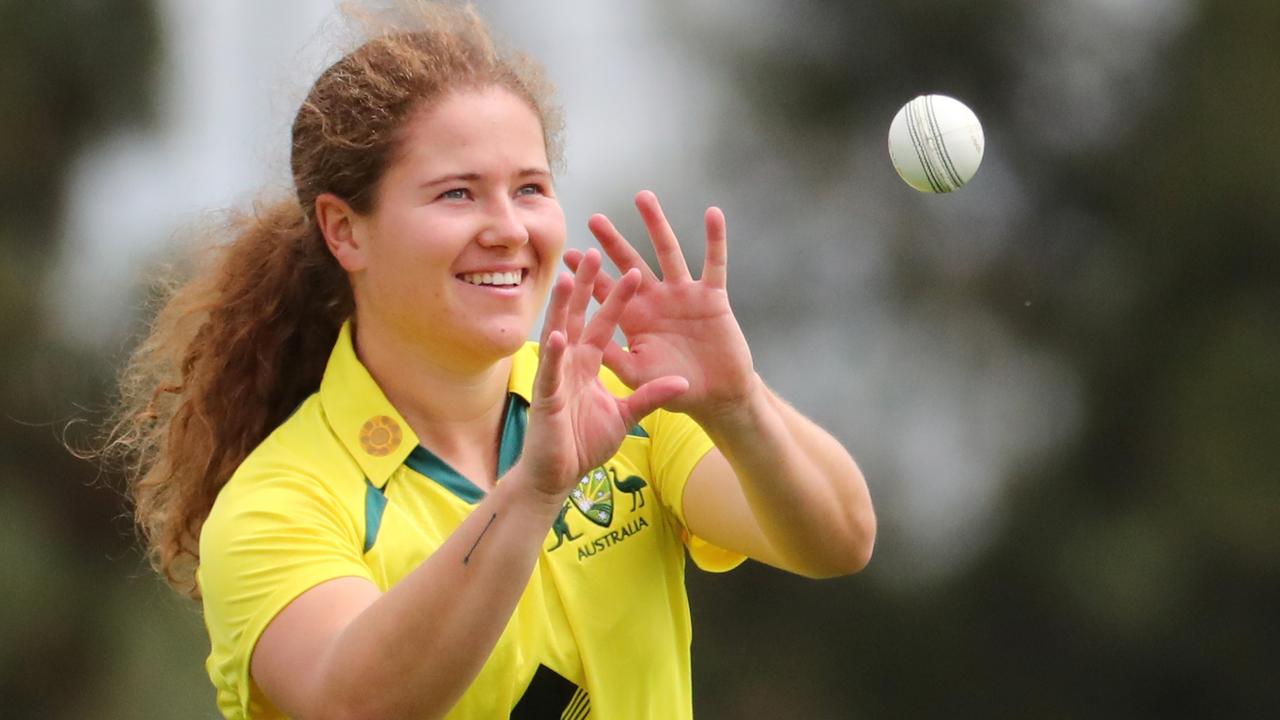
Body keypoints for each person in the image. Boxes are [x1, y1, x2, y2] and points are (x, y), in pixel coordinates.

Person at [101, 4, 875, 718]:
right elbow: (356, 703)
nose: (508, 228)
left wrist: (739, 406)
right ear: (345, 231)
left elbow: (839, 539)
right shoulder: (277, 501)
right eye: (458, 195)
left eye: (530, 188)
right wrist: (532, 493)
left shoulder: (620, 399)